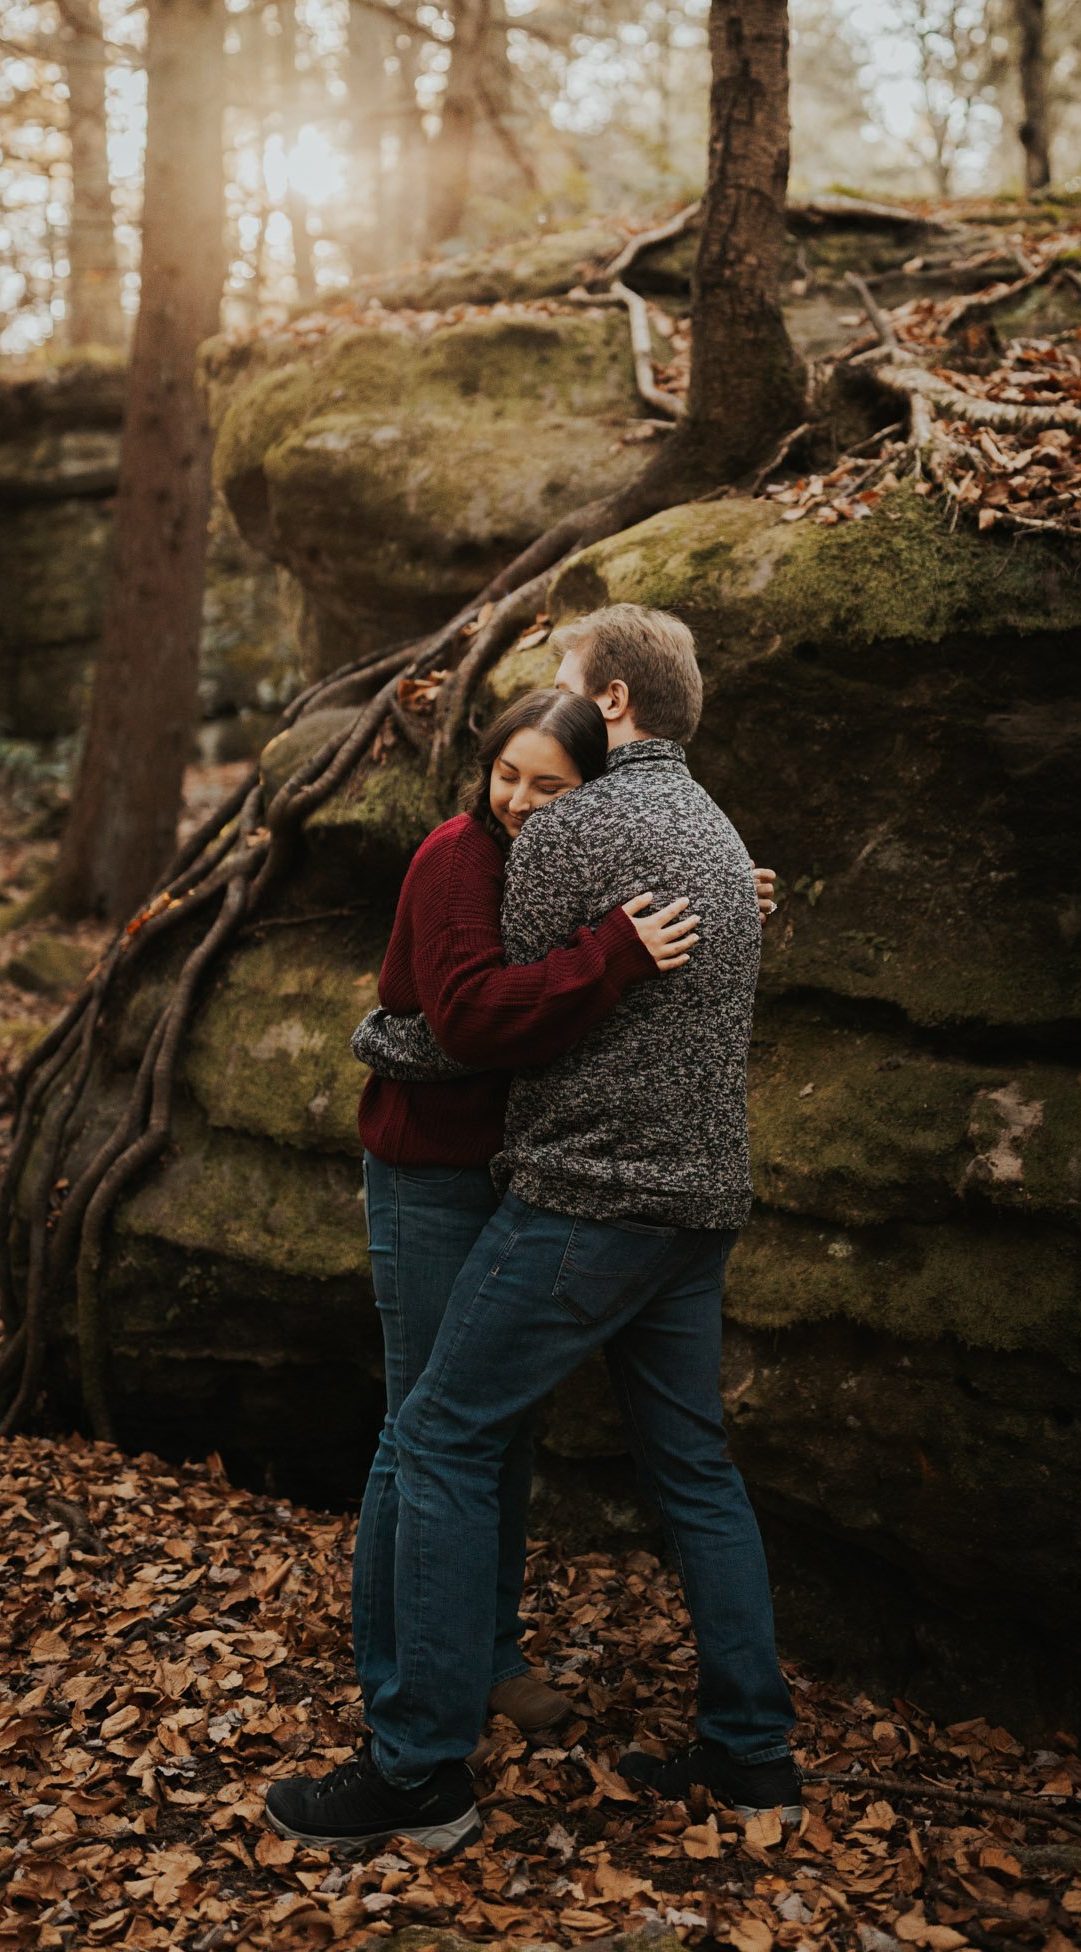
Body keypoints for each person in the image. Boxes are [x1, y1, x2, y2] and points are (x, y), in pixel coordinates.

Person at [264, 606, 798, 1858]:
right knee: (696, 1476)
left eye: (565, 692)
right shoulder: (718, 836)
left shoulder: (577, 828)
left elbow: (466, 1013)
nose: (536, 759)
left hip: (587, 1201)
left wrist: (378, 1038)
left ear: (611, 702)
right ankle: (751, 1758)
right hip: (701, 1204)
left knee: (440, 1438)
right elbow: (478, 979)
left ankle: (417, 1774)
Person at [346, 685, 703, 1753]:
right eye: (508, 773)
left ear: (594, 789)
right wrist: (614, 957)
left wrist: (733, 893)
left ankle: (482, 1654)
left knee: (492, 1428)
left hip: (519, 1177)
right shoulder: (457, 855)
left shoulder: (564, 857)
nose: (520, 800)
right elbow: (466, 1013)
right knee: (421, 1430)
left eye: (550, 785)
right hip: (428, 1176)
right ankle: (400, 1674)